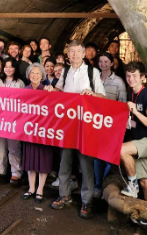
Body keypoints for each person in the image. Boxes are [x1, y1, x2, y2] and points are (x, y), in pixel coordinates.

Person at [50, 40, 106, 219]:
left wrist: (92, 95)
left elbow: (102, 96)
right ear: (68, 54)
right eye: (71, 51)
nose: (74, 54)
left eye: (77, 52)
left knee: (85, 164)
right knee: (64, 162)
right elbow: (59, 90)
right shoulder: (65, 71)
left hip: (85, 127)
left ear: (83, 54)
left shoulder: (92, 72)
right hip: (67, 125)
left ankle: (86, 201)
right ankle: (64, 194)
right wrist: (53, 91)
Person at [120, 62, 147, 233]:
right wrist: (127, 122)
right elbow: (136, 123)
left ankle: (131, 185)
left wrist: (135, 112)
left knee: (122, 149)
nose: (131, 79)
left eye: (135, 76)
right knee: (146, 182)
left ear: (143, 78)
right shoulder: (131, 93)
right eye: (128, 76)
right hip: (140, 141)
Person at [93, 52, 127, 198]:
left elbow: (123, 104)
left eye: (106, 61)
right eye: (101, 61)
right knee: (96, 155)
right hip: (95, 123)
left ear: (112, 63)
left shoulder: (118, 81)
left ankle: (105, 183)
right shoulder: (94, 79)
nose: (103, 64)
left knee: (108, 156)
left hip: (112, 124)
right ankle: (97, 184)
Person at [21, 63, 54, 204]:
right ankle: (31, 188)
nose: (35, 75)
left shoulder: (47, 90)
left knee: (43, 158)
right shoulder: (24, 90)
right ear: (28, 75)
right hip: (29, 131)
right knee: (30, 158)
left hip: (43, 131)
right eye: (32, 73)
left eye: (38, 73)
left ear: (42, 76)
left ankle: (40, 189)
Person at [0, 58, 25, 184]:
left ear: (15, 68)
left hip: (14, 120)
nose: (8, 69)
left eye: (11, 66)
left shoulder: (20, 83)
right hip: (0, 118)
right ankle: (0, 168)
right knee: (0, 145)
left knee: (13, 147)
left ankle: (16, 172)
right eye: (6, 66)